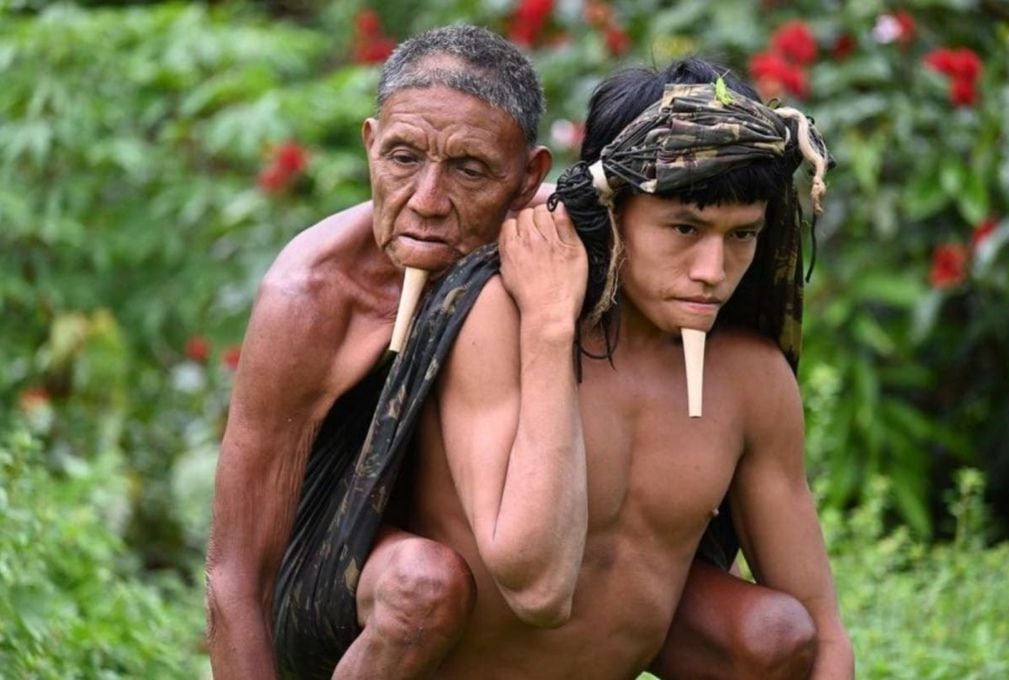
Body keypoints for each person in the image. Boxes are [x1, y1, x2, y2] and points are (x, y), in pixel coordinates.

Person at [206, 24, 830, 680]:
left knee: (767, 630)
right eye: (402, 158)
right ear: (369, 145)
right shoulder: (313, 294)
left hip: (529, 592)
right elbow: (237, 574)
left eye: (470, 168)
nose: (426, 201)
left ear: (529, 177)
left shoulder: (561, 245)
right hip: (374, 587)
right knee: (423, 586)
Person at [399, 59, 854, 678]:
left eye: (742, 235)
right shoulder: (498, 320)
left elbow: (824, 634)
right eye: (684, 227)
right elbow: (535, 587)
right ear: (609, 213)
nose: (711, 270)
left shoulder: (750, 379)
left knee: (778, 633)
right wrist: (550, 327)